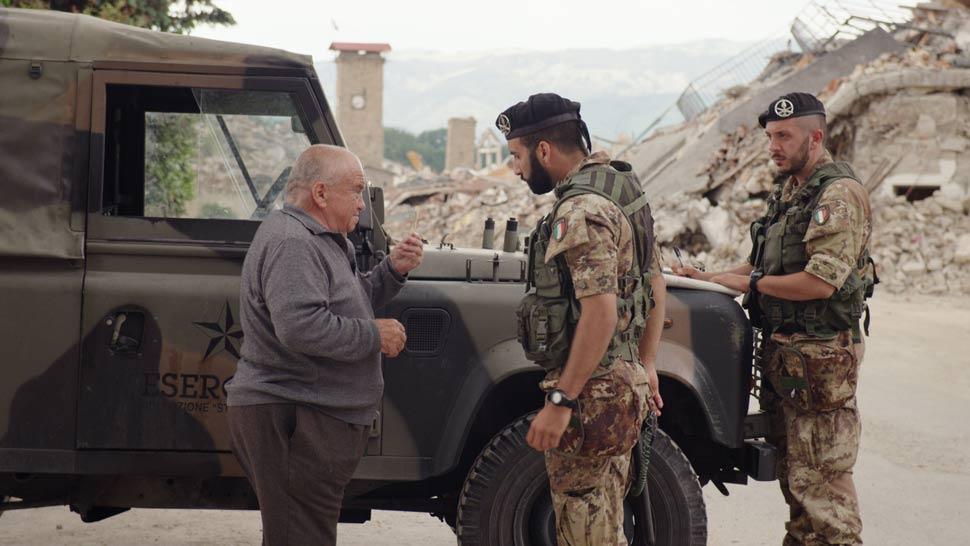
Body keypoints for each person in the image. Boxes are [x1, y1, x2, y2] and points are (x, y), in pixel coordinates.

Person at [674, 92, 874, 546]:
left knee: (824, 498)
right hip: (789, 362)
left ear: (815, 137)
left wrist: (752, 285)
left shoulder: (837, 195)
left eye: (784, 136)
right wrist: (709, 277)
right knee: (798, 487)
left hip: (821, 360)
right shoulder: (790, 193)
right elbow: (763, 265)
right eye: (770, 136)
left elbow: (819, 282)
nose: (774, 146)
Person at [225, 144, 424, 546]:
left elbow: (346, 302)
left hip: (306, 416)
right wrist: (374, 335)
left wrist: (392, 270)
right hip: (295, 418)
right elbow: (300, 327)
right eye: (354, 191)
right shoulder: (293, 243)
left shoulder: (319, 238)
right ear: (319, 194)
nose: (361, 205)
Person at [497, 93, 667, 545]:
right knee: (604, 525)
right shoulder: (622, 189)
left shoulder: (580, 211)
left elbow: (600, 312)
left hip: (594, 395)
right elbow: (654, 280)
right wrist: (645, 362)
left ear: (544, 151)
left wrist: (561, 402)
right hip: (620, 381)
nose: (515, 168)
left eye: (517, 155)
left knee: (583, 528)